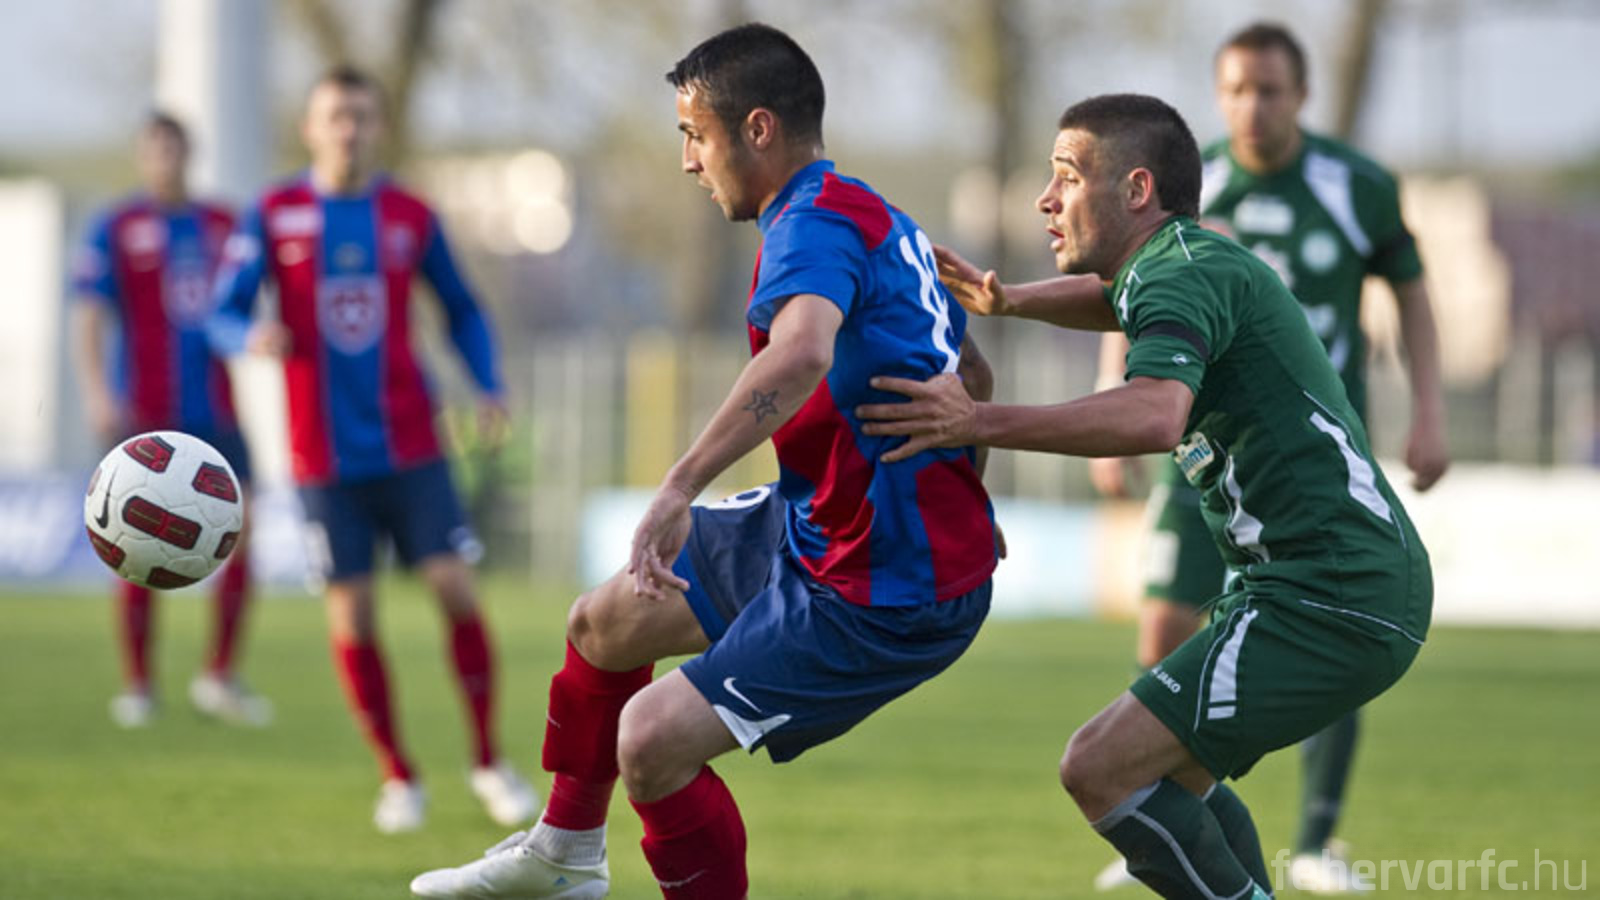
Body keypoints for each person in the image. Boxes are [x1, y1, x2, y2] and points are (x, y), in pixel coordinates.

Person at [409, 23, 999, 899]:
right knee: (605, 623)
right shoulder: (872, 215)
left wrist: (680, 484)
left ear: (757, 129)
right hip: (823, 526)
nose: (688, 160)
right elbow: (972, 374)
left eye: (695, 134)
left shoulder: (811, 224)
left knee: (651, 741)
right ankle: (564, 855)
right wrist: (947, 496)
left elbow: (802, 354)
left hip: (886, 588)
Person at [858, 93, 1432, 900]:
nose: (1045, 199)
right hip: (1321, 584)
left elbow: (1154, 415)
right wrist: (1011, 300)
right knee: (1166, 781)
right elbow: (1115, 302)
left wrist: (977, 420)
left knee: (1097, 767)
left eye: (1067, 176)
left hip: (1330, 592)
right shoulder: (1176, 264)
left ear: (1135, 190)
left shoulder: (1180, 273)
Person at [1085, 23, 1448, 894]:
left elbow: (1411, 292)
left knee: (1316, 630)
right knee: (1164, 627)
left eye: (1270, 90)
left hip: (1306, 456)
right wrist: (1109, 390)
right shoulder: (1189, 186)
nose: (1252, 107)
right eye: (1237, 90)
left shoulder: (1356, 186)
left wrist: (1429, 408)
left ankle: (1315, 839)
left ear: (1303, 95)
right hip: (1199, 447)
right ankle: (1156, 808)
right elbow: (1135, 291)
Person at [207, 66, 536, 834]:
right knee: (352, 616)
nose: (348, 130)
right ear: (310, 128)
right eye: (335, 116)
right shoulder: (275, 214)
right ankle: (398, 775)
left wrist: (488, 384)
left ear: (378, 126)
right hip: (322, 458)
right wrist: (249, 334)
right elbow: (221, 312)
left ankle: (489, 760)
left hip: (413, 441)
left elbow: (461, 308)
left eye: (360, 116)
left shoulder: (409, 215)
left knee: (455, 588)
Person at [71, 111, 269, 730]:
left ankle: (220, 676)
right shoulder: (116, 226)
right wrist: (97, 391)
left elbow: (246, 302)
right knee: (129, 541)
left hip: (216, 408)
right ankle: (139, 684)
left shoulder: (224, 224)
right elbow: (89, 313)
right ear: (142, 157)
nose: (166, 159)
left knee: (245, 532)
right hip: (144, 417)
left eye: (174, 148)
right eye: (155, 149)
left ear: (189, 153)